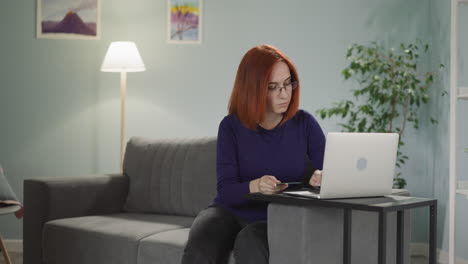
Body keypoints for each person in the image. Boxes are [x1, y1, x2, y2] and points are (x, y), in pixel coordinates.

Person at [181, 44, 326, 264]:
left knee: (250, 241)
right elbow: (226, 190)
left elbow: (331, 171)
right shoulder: (231, 127)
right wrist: (255, 186)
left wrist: (323, 177)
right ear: (253, 89)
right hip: (227, 211)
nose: (284, 94)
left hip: (276, 217)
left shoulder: (304, 124)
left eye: (288, 84)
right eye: (273, 87)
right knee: (202, 239)